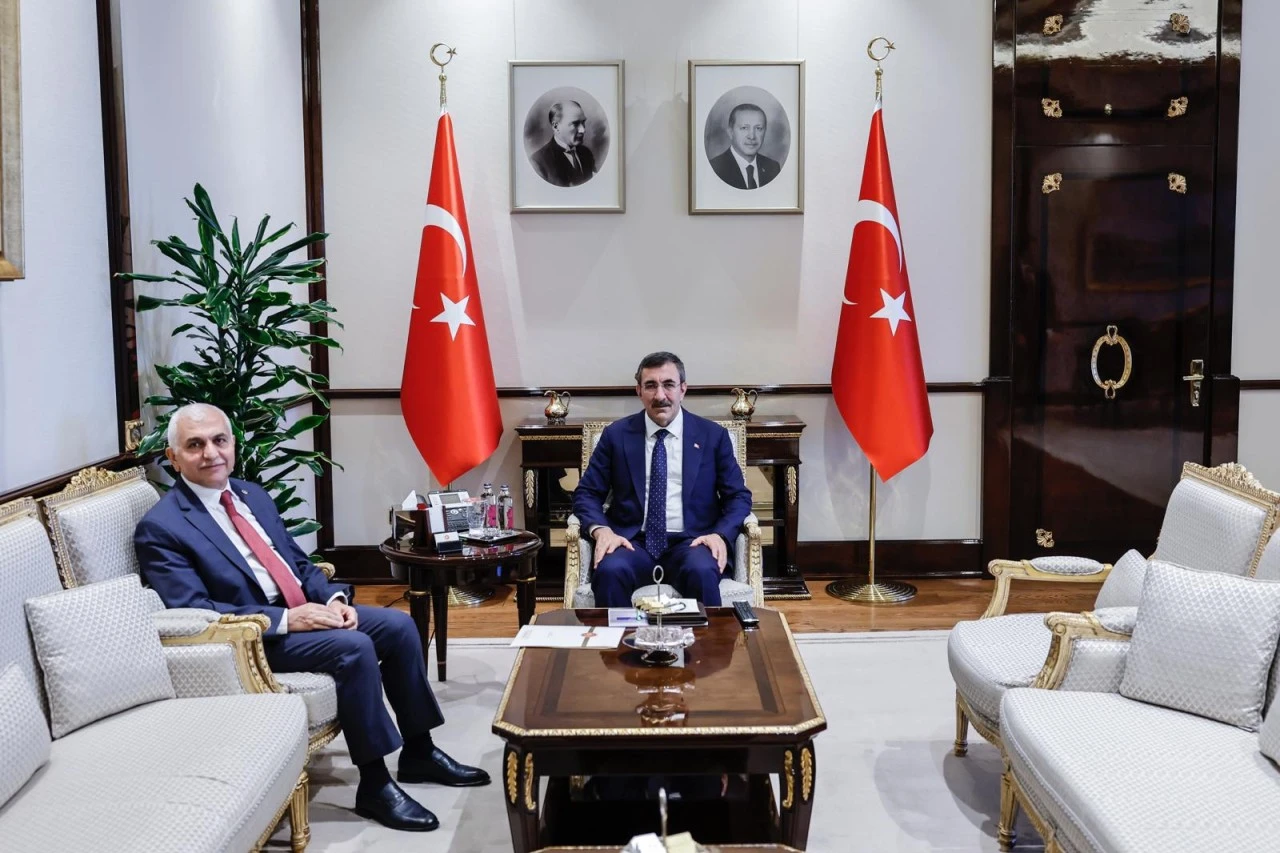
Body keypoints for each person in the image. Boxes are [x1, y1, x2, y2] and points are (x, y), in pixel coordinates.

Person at [134, 403, 488, 833]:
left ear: (233, 445)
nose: (211, 453)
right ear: (173, 458)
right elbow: (196, 611)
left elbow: (298, 564)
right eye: (195, 445)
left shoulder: (250, 495)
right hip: (255, 637)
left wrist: (333, 599)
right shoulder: (163, 527)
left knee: (398, 627)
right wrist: (287, 619)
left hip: (305, 610)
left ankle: (419, 750)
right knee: (354, 648)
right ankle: (375, 784)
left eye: (219, 440)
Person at [573, 352, 752, 608]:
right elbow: (587, 493)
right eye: (650, 386)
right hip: (632, 542)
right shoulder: (616, 436)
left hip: (693, 542)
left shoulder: (712, 436)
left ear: (683, 389)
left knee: (701, 571)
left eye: (668, 384)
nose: (660, 395)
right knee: (610, 571)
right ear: (639, 391)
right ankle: (621, 637)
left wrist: (719, 535)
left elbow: (738, 496)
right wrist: (602, 531)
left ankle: (705, 637)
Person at [708, 103, 781, 190]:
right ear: (730, 132)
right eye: (744, 128)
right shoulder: (714, 168)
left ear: (765, 132)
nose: (752, 136)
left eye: (758, 128)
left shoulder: (773, 167)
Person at [529, 100, 597, 187]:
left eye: (583, 122)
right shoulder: (538, 162)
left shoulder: (586, 153)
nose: (583, 130)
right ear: (556, 126)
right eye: (575, 124)